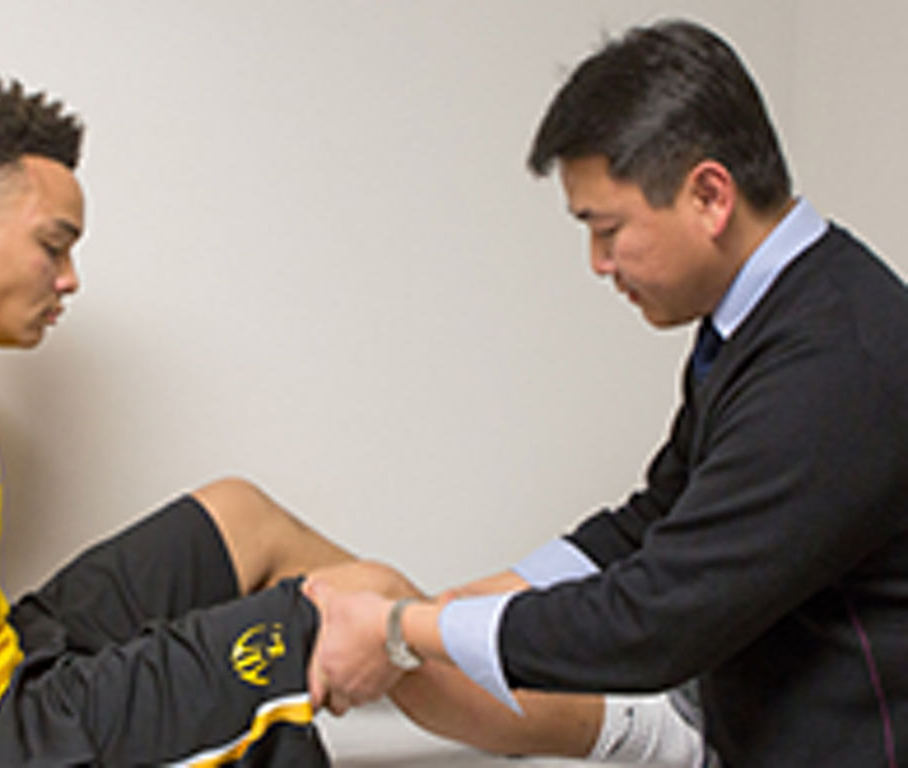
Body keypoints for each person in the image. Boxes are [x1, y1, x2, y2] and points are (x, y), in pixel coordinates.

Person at [0, 74, 702, 766]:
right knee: (348, 616)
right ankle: (640, 735)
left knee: (241, 518)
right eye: (52, 246)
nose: (68, 280)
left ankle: (474, 655)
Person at [303, 18, 908, 768]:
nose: (597, 262)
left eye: (607, 228)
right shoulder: (761, 319)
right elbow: (656, 519)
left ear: (710, 195)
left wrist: (402, 631)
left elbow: (653, 623)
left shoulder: (835, 363)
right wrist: (467, 603)